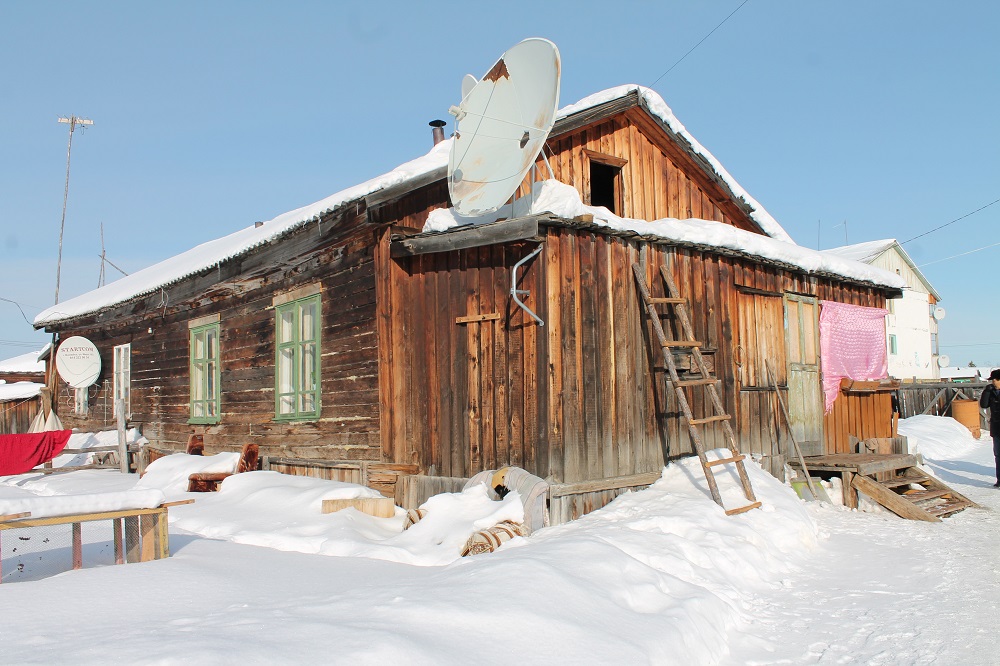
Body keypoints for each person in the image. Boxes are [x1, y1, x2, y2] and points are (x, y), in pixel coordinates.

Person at [978, 368, 1000, 487]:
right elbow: (984, 405)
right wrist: (986, 392)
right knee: (998, 455)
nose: (993, 382)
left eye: (994, 380)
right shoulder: (991, 391)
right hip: (996, 428)